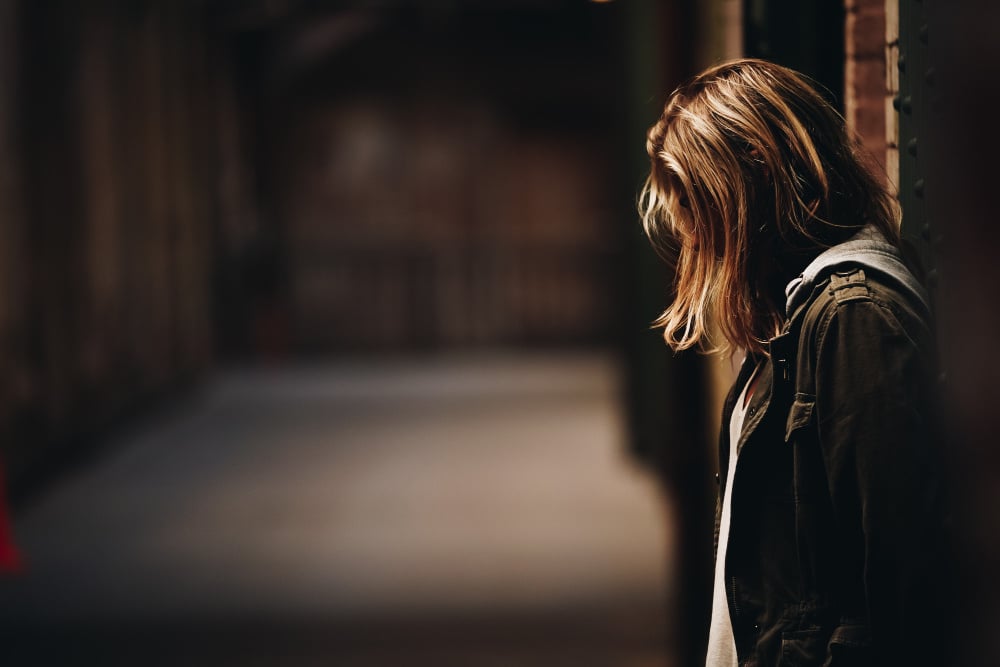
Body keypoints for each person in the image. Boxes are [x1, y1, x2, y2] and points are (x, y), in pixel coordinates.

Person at [639, 59, 953, 666]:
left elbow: (898, 587)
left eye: (695, 200)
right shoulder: (799, 312)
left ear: (753, 172)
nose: (690, 232)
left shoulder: (852, 318)